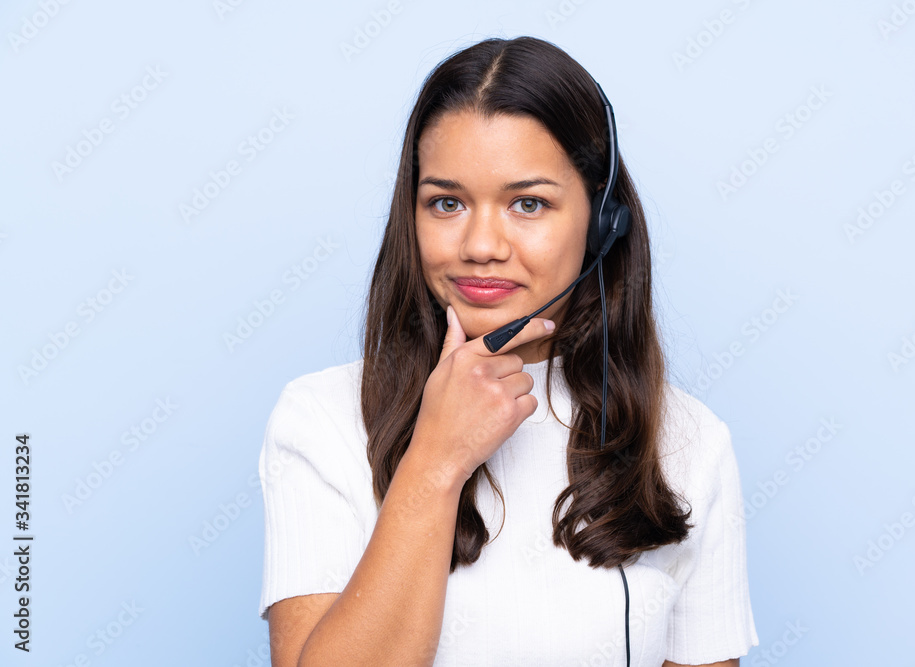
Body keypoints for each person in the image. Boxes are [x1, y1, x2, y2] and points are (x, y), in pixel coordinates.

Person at [257, 35, 759, 666]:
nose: (481, 244)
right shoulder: (320, 419)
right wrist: (436, 462)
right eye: (447, 202)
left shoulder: (688, 441)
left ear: (602, 223)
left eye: (528, 203)